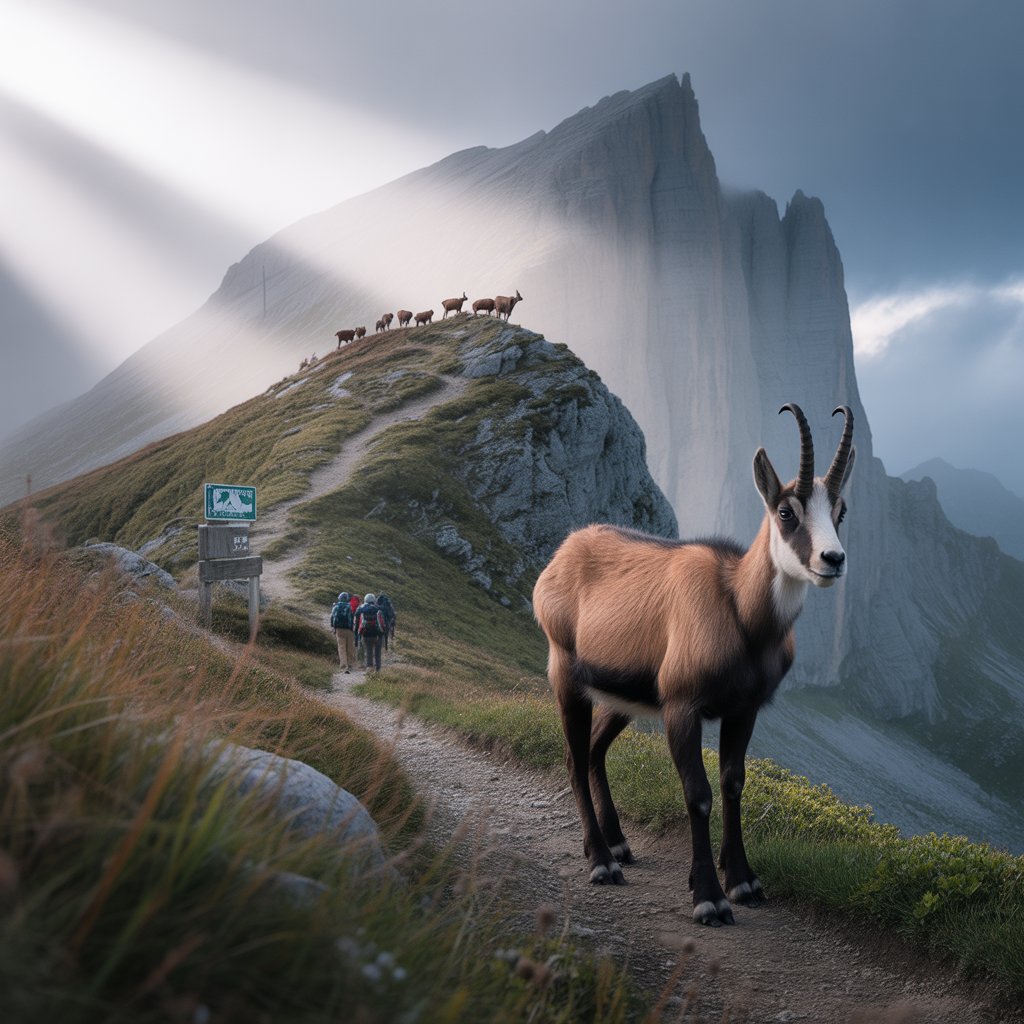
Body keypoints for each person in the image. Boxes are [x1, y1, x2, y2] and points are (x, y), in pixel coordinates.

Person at [355, 592, 386, 673]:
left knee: (369, 651)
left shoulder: (360, 608)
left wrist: (357, 633)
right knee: (377, 652)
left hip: (366, 634)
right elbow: (383, 622)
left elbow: (356, 622)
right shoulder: (378, 608)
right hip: (378, 634)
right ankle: (378, 670)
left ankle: (369, 669)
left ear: (365, 600)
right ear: (374, 600)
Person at [330, 592, 356, 673]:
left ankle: (343, 665)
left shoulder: (336, 607)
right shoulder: (350, 607)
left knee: (341, 647)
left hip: (339, 629)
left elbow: (332, 617)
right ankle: (350, 665)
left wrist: (333, 627)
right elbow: (353, 618)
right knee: (350, 647)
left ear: (339, 598)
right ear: (347, 598)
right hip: (349, 629)